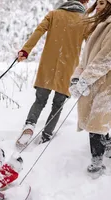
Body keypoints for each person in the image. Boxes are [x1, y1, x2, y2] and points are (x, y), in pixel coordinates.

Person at [69, 0, 111, 174]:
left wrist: (85, 79)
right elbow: (86, 60)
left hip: (110, 85)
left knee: (96, 124)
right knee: (94, 120)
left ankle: (96, 165)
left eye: (102, 3)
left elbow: (106, 58)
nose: (97, 6)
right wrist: (76, 78)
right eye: (97, 3)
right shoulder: (101, 27)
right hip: (96, 82)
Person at [16, 0, 90, 149]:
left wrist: (25, 50)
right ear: (85, 2)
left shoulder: (54, 14)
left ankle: (29, 125)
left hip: (48, 66)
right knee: (58, 105)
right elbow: (90, 46)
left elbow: (38, 31)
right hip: (68, 69)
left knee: (40, 100)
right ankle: (46, 136)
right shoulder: (85, 21)